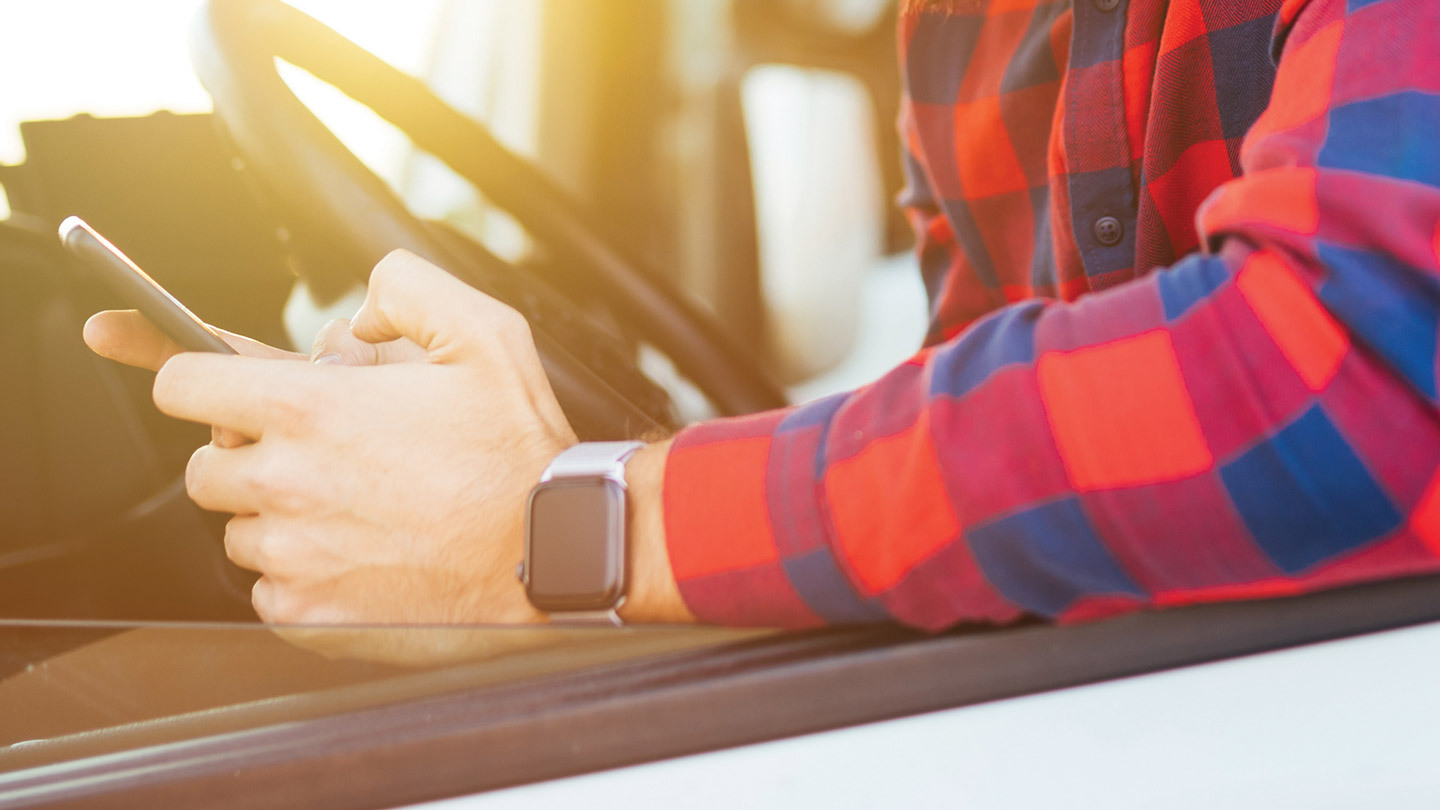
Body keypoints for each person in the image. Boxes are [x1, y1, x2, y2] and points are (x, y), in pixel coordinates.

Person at [86, 0, 1440, 633]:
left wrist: (562, 522)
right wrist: (424, 475)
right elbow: (987, 469)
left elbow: (1348, 378)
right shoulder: (959, 33)